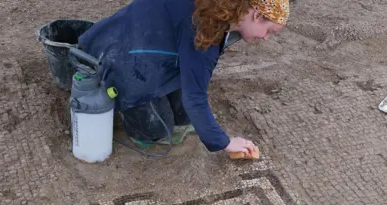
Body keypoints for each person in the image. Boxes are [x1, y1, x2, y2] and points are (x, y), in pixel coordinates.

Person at [78, 0, 291, 156]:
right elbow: (195, 97)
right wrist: (224, 142)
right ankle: (122, 104)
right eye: (269, 30)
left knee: (183, 118)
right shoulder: (208, 28)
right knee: (156, 131)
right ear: (256, 15)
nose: (265, 38)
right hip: (116, 57)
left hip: (129, 37)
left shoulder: (221, 6)